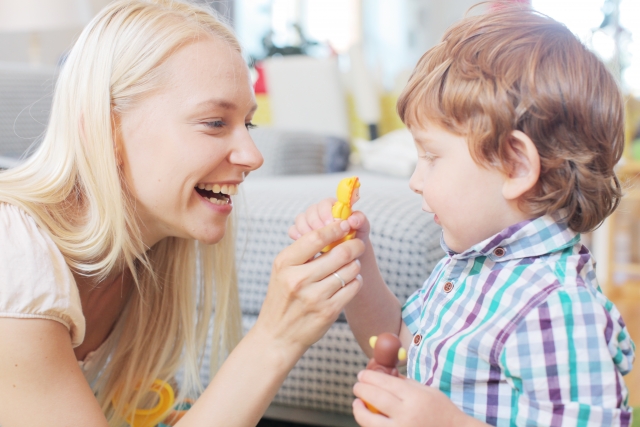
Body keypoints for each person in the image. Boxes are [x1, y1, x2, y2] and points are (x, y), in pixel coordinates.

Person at [0, 1, 364, 426]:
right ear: (105, 128)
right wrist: (275, 338)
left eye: (249, 124)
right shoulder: (14, 253)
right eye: (213, 122)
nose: (252, 156)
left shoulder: (144, 262)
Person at [290, 6, 635, 427]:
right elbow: (397, 342)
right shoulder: (472, 265)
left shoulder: (555, 306)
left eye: (432, 157)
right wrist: (357, 259)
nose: (415, 181)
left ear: (516, 165)